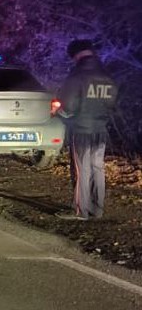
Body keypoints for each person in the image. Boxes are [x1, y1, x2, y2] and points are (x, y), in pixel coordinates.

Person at [56, 39, 118, 221]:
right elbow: (112, 105)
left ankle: (81, 211)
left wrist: (60, 113)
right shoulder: (108, 77)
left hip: (82, 129)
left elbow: (67, 107)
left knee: (82, 169)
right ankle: (97, 209)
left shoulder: (76, 77)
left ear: (75, 56)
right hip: (100, 130)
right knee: (97, 168)